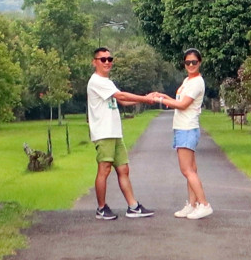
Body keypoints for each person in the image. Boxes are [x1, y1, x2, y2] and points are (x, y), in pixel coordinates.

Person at [86, 47, 157, 221]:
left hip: (114, 132)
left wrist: (148, 99)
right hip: (104, 132)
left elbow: (122, 100)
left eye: (110, 59)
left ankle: (133, 206)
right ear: (94, 62)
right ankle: (101, 208)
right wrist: (144, 98)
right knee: (104, 169)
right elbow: (121, 94)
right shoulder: (96, 81)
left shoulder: (107, 82)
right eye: (103, 59)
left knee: (123, 169)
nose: (107, 62)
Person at [148, 49, 212, 218]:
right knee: (191, 169)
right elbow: (178, 101)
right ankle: (192, 204)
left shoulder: (197, 82)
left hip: (187, 128)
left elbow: (183, 105)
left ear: (200, 62)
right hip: (182, 127)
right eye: (187, 62)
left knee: (187, 170)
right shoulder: (187, 80)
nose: (191, 65)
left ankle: (203, 204)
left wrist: (159, 100)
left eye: (194, 62)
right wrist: (163, 96)